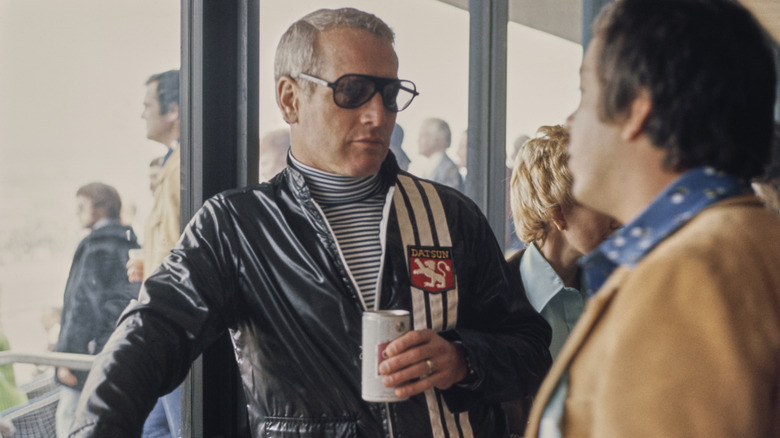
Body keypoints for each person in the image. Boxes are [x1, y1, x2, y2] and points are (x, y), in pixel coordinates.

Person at [70, 7, 552, 437]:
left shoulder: (449, 215)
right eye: (353, 91)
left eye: (389, 93)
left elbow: (529, 347)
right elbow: (152, 333)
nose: (377, 114)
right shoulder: (238, 226)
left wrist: (462, 359)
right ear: (289, 99)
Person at [525, 0, 780, 437]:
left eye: (585, 93)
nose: (571, 120)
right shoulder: (745, 240)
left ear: (637, 107)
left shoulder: (691, 272)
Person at [501, 124, 618, 435]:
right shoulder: (495, 300)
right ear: (558, 214)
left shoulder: (620, 288)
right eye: (602, 202)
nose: (618, 218)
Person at [54, 182, 140, 438]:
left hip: (84, 356)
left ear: (101, 208)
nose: (77, 213)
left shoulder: (95, 246)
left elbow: (83, 305)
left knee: (69, 418)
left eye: (82, 206)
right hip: (110, 350)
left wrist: (65, 355)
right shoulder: (127, 243)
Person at [127, 69, 182, 438]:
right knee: (154, 429)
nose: (142, 113)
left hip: (177, 328)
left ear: (173, 110)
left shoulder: (184, 170)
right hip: (167, 326)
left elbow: (189, 249)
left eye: (148, 104)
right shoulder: (171, 166)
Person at [417, 117, 463, 191]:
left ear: (440, 140)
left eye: (424, 135)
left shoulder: (449, 170)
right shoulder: (432, 165)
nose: (418, 140)